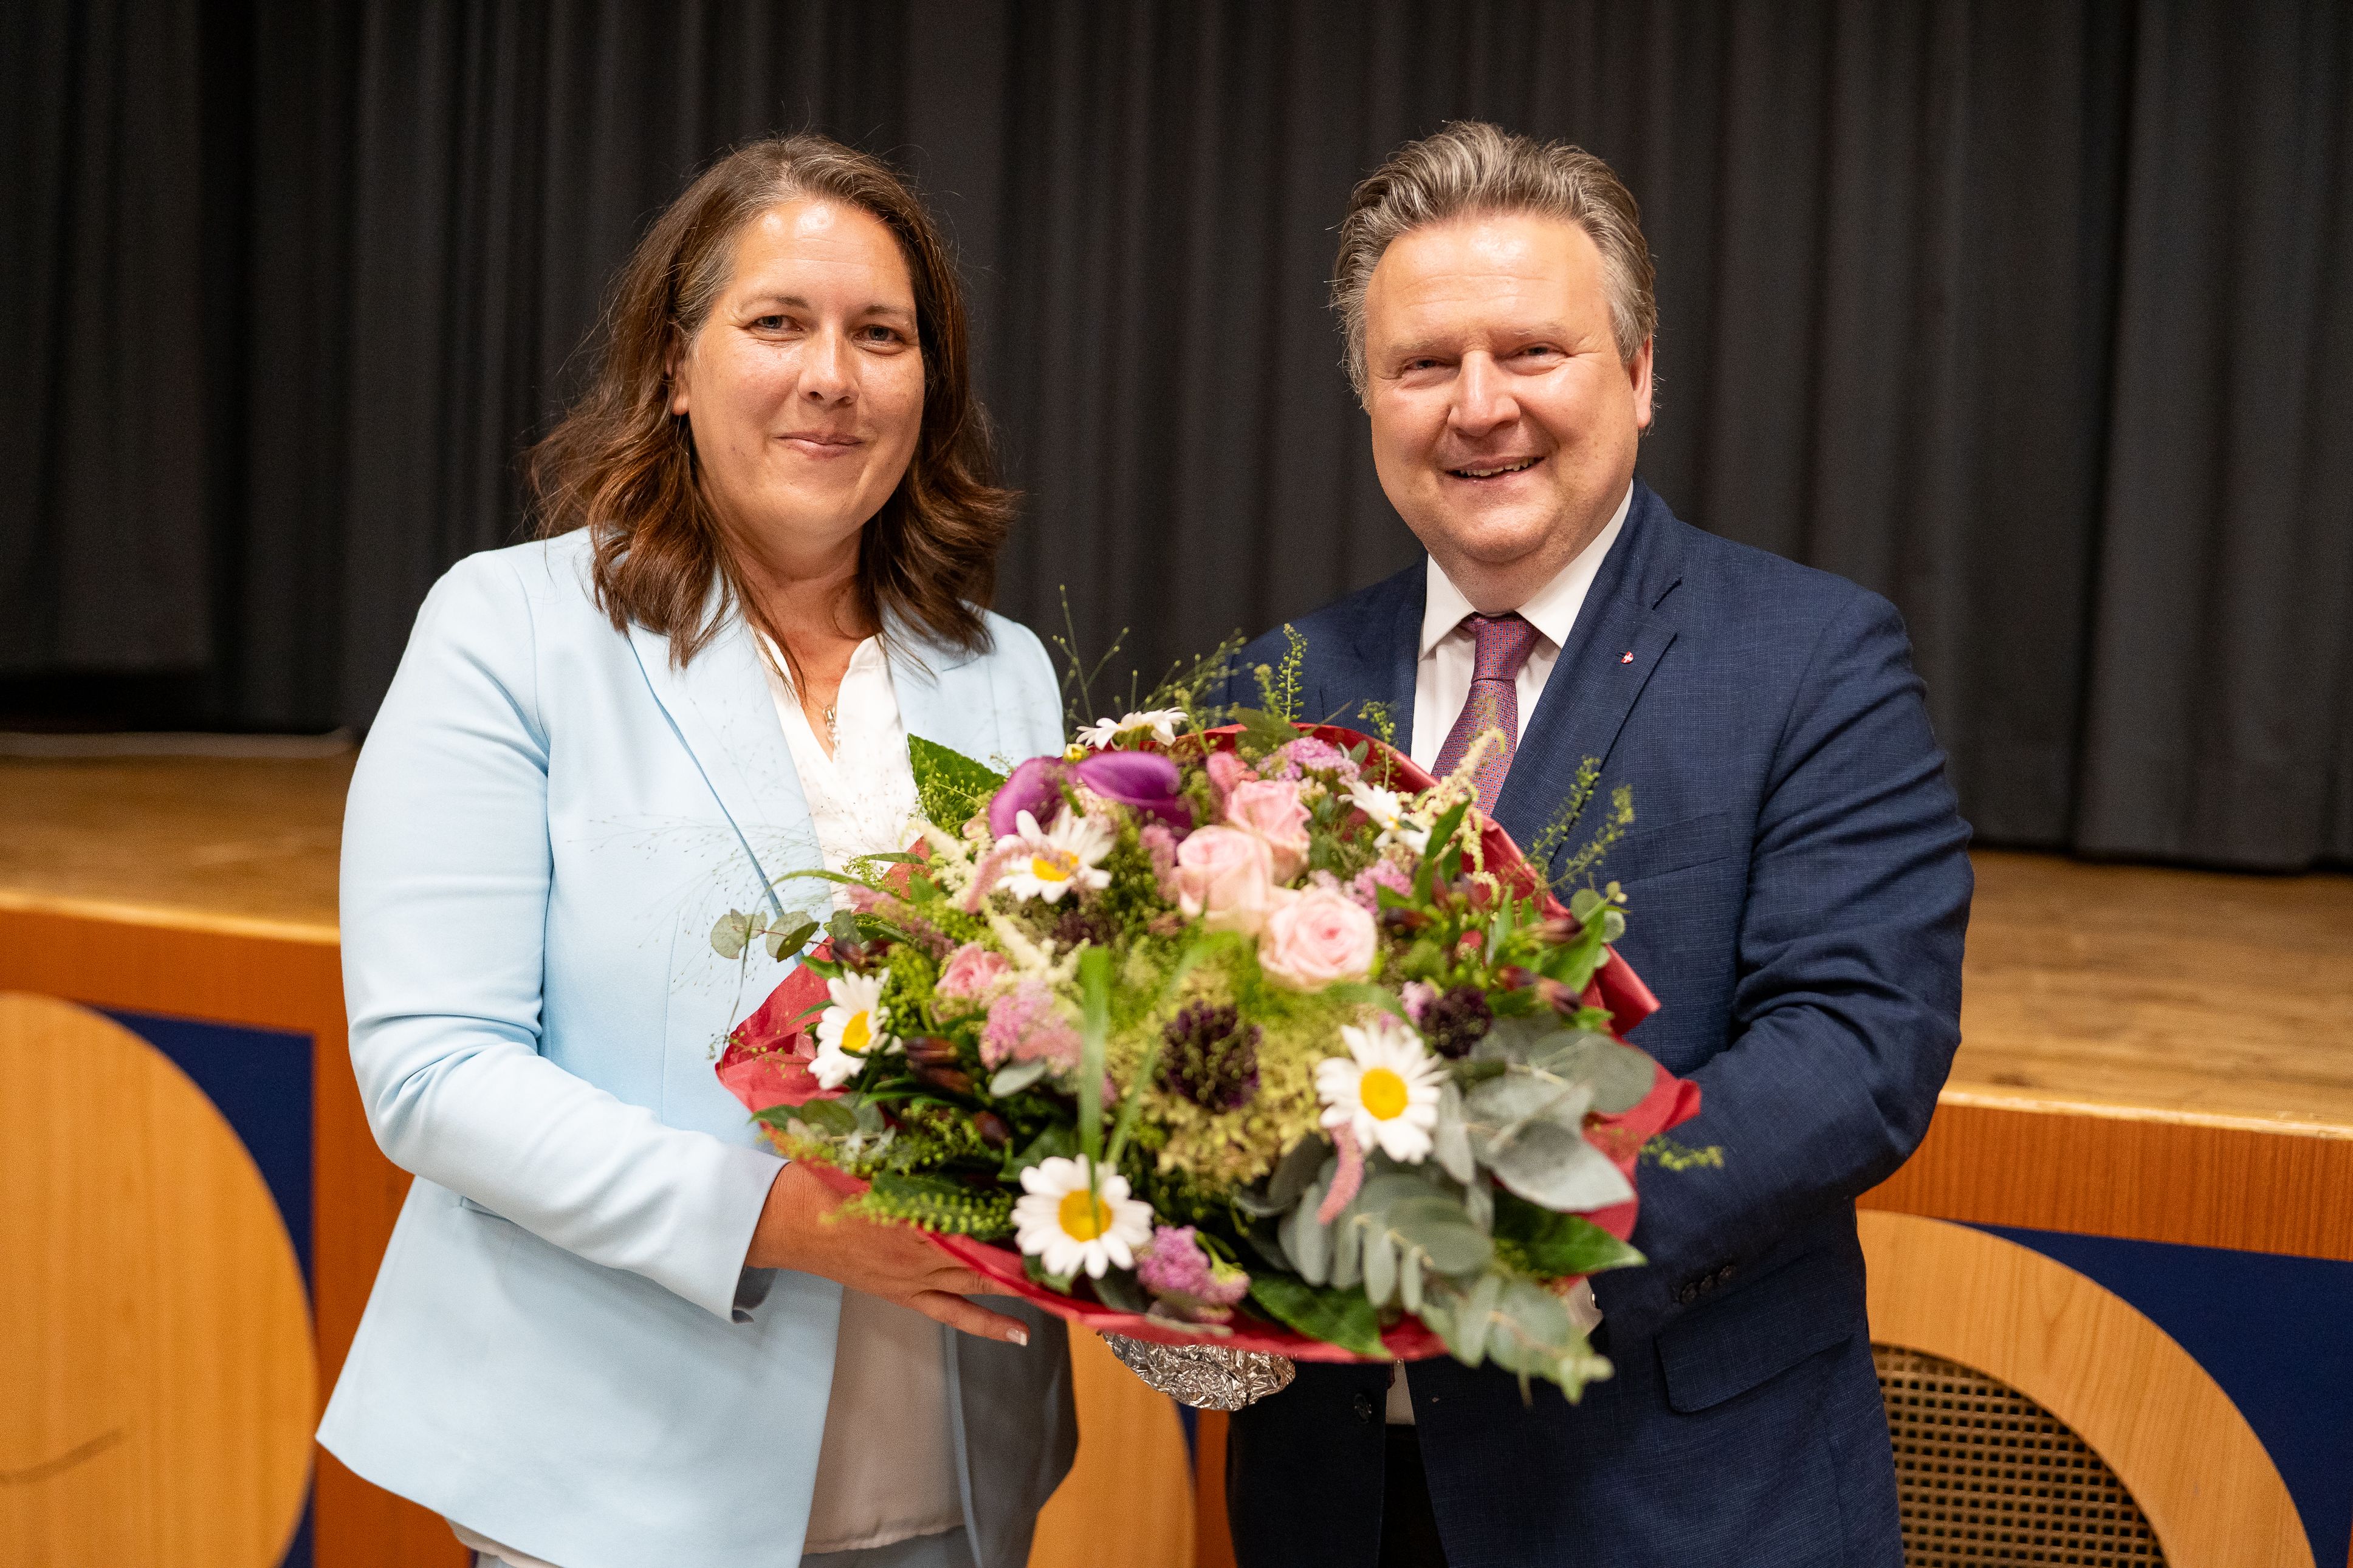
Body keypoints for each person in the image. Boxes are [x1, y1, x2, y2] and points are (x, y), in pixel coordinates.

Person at [318, 135, 1075, 1568]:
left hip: (956, 1471)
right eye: (777, 322)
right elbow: (435, 1073)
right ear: (674, 366)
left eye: (882, 335)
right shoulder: (513, 630)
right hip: (612, 1479)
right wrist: (780, 1217)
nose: (832, 377)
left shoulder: (1006, 673)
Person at [1221, 122, 1971, 1567]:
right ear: (1370, 401)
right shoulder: (1277, 687)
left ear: (1638, 375)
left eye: (1533, 353)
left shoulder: (1813, 659)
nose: (1477, 405)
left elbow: (1854, 1051)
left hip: (1670, 1497)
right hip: (1334, 1504)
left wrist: (1525, 1231)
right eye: (1423, 363)